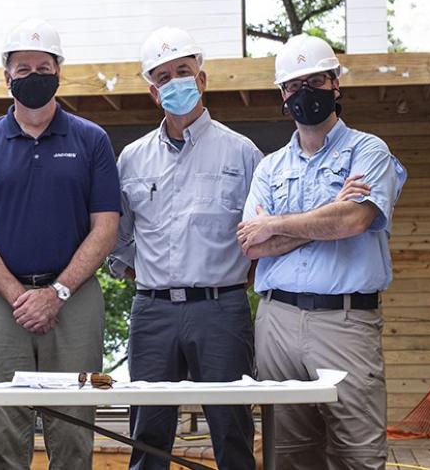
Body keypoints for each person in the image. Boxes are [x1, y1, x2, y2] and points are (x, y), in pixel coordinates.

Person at [0, 18, 121, 470]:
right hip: (0, 301)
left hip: (75, 299)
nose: (33, 76)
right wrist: (18, 296)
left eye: (43, 66)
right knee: (3, 430)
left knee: (74, 430)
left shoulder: (91, 140)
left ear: (59, 72)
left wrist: (57, 293)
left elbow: (105, 227)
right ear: (6, 77)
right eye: (22, 68)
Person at [238, 34, 407, 470]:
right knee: (287, 453)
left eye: (316, 80)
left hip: (346, 322)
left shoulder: (370, 151)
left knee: (357, 452)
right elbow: (253, 245)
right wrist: (329, 214)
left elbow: (355, 221)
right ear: (283, 95)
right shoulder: (270, 166)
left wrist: (277, 221)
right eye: (294, 86)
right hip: (276, 322)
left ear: (336, 85)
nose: (305, 93)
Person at [108, 26, 261, 470]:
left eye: (184, 70)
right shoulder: (132, 158)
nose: (175, 81)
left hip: (222, 309)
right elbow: (119, 235)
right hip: (152, 312)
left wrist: (229, 282)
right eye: (163, 76)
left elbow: (258, 236)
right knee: (148, 432)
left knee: (231, 428)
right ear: (154, 93)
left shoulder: (242, 153)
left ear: (202, 79)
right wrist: (145, 277)